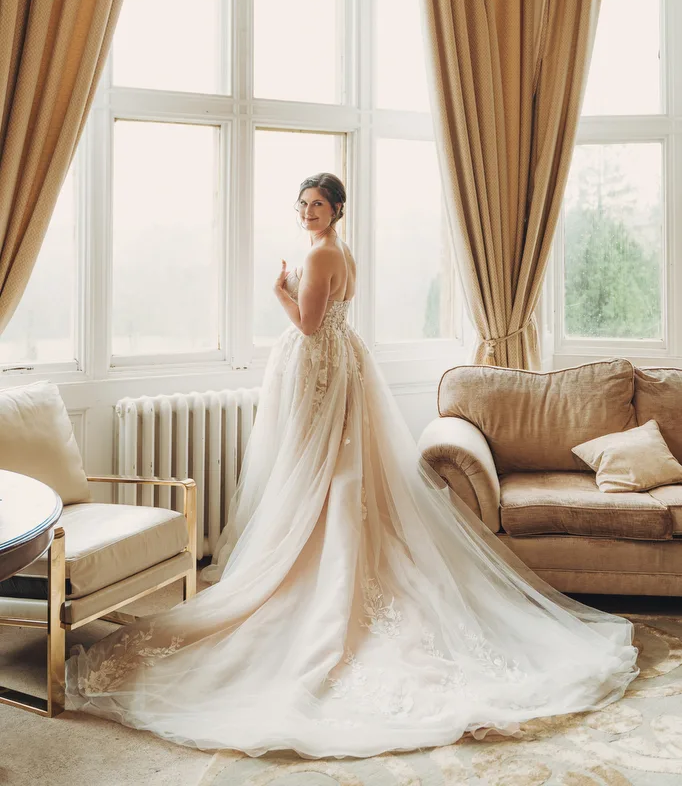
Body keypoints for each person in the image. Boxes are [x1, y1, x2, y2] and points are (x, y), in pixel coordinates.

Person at [65, 172, 639, 759]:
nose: (308, 212)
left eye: (318, 204)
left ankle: (319, 566)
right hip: (339, 366)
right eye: (303, 203)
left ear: (337, 209)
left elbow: (309, 325)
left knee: (316, 469)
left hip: (320, 369)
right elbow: (337, 312)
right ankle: (321, 549)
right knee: (333, 474)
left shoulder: (320, 256)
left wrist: (278, 293)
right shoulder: (341, 252)